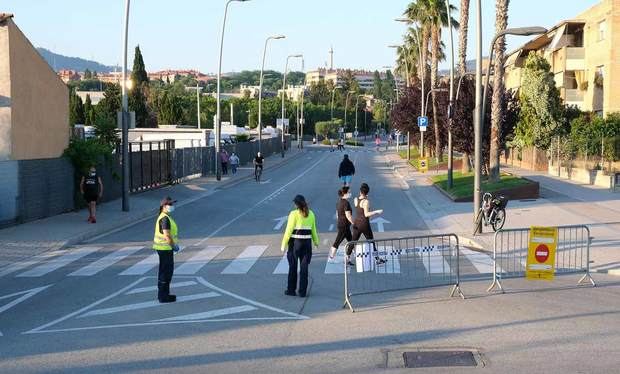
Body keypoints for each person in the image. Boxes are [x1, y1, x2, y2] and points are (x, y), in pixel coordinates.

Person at [281, 195, 319, 298]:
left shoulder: (293, 214)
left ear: (296, 204)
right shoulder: (311, 214)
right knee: (304, 268)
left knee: (293, 267)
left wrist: (283, 244)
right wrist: (316, 242)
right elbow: (313, 230)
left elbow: (288, 230)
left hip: (295, 244)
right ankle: (302, 292)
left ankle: (291, 290)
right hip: (307, 244)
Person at [346, 183, 386, 266]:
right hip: (364, 224)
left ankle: (347, 258)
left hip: (357, 224)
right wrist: (376, 212)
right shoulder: (366, 201)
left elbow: (358, 209)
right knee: (371, 242)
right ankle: (377, 259)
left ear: (360, 191)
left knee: (353, 241)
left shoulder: (356, 199)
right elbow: (366, 214)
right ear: (367, 193)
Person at [153, 196, 181, 303]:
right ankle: (163, 296)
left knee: (165, 271)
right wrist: (174, 246)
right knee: (166, 273)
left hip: (164, 248)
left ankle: (164, 294)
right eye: (170, 204)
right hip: (165, 248)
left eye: (172, 204)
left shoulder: (164, 217)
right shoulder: (164, 219)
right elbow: (167, 235)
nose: (172, 206)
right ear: (164, 206)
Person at [328, 186, 354, 262]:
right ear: (345, 193)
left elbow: (337, 214)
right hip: (344, 226)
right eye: (349, 192)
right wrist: (353, 223)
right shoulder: (346, 203)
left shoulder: (339, 202)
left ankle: (349, 258)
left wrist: (340, 220)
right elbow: (348, 215)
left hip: (342, 224)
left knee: (351, 241)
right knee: (338, 241)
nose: (350, 193)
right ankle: (331, 257)